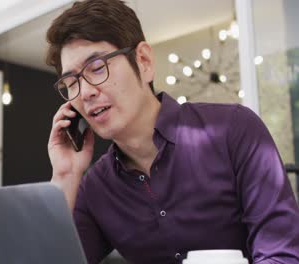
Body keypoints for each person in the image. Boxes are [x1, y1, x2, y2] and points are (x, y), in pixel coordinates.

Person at [45, 0, 299, 263]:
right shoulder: (96, 188)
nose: (85, 92)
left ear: (143, 61)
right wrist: (64, 176)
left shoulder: (233, 130)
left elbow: (281, 254)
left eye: (97, 67)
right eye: (71, 82)